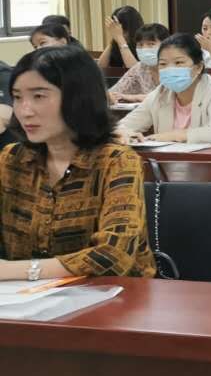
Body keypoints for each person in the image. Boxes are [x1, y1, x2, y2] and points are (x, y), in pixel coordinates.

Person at [0, 44, 156, 279]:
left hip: (116, 294)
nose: (24, 111)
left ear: (79, 98)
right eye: (17, 97)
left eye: (39, 96)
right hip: (22, 296)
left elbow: (114, 257)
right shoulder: (12, 159)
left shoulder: (117, 162)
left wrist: (18, 271)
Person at [118, 33, 211, 144]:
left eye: (179, 63)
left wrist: (174, 135)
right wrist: (125, 133)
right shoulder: (161, 92)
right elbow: (122, 126)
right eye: (163, 64)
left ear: (198, 67)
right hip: (168, 160)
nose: (170, 69)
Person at [109, 22, 171, 103]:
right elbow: (115, 91)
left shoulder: (175, 67)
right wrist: (111, 96)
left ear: (166, 45)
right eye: (140, 45)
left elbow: (169, 97)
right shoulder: (140, 67)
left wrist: (135, 97)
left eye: (151, 44)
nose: (144, 49)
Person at [98, 4, 144, 69]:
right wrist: (115, 38)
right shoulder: (117, 42)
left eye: (124, 30)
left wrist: (120, 38)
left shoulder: (145, 44)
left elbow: (136, 71)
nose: (121, 33)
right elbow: (99, 68)